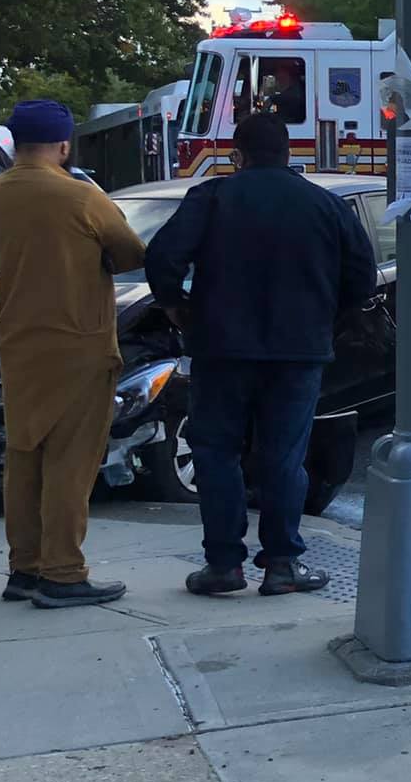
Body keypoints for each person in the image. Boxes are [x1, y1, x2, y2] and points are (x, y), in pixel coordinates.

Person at [146, 114, 377, 596]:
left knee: (216, 453)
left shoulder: (211, 198)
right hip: (298, 351)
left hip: (221, 348)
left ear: (239, 154)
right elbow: (362, 275)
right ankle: (281, 564)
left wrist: (176, 306)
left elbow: (164, 256)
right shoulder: (326, 206)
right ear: (289, 153)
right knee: (285, 457)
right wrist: (328, 316)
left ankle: (224, 565)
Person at [0, 100, 147, 608]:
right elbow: (131, 252)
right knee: (70, 463)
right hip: (79, 345)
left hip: (18, 342)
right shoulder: (78, 196)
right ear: (64, 144)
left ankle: (23, 569)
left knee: (24, 456)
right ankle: (64, 573)